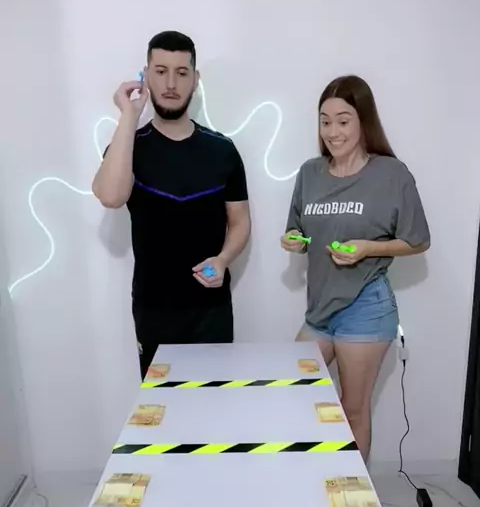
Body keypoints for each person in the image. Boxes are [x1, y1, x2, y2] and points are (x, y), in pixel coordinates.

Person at [281, 75, 430, 461]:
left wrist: (368, 249)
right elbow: (298, 228)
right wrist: (294, 240)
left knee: (352, 411)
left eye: (343, 121)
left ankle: (351, 493)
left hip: (366, 307)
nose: (333, 132)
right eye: (325, 121)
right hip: (319, 309)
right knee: (291, 388)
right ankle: (315, 475)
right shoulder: (309, 173)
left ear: (364, 120)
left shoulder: (391, 174)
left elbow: (418, 240)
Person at [92, 30, 251, 378]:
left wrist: (224, 259)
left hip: (211, 310)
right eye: (160, 71)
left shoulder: (222, 150)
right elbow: (111, 196)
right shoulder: (130, 147)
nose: (170, 83)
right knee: (161, 409)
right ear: (145, 75)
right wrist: (129, 114)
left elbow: (240, 221)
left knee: (216, 404)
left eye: (181, 72)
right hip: (154, 310)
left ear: (195, 79)